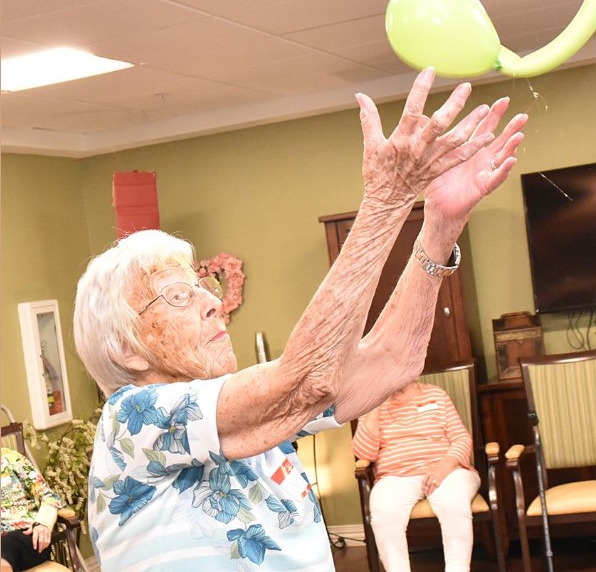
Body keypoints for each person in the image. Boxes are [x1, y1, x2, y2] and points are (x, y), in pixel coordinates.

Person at [73, 67, 527, 571]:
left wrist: (440, 228)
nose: (211, 302)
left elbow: (391, 363)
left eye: (205, 285)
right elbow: (308, 376)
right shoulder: (131, 420)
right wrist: (387, 199)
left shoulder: (257, 418)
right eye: (178, 295)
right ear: (127, 349)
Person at [352, 380, 480, 572]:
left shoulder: (436, 395)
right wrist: (375, 403)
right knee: (384, 512)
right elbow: (364, 454)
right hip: (395, 476)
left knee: (453, 501)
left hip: (447, 471)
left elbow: (461, 438)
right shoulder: (371, 405)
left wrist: (443, 466)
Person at [1, 447, 63, 572]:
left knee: (5, 544)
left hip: (24, 536)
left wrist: (43, 524)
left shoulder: (11, 459)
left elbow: (49, 496)